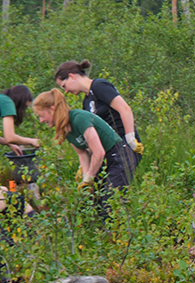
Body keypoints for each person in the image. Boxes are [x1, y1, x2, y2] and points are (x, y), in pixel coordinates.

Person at [30, 89, 132, 220]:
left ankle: (118, 237)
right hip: (105, 161)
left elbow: (99, 152)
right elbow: (82, 154)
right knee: (89, 203)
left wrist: (89, 177)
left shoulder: (79, 119)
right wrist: (85, 182)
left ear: (52, 109)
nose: (41, 120)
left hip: (119, 156)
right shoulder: (65, 127)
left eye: (41, 115)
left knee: (109, 204)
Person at [54, 63, 142, 176]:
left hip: (123, 146)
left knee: (112, 190)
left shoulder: (99, 86)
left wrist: (130, 138)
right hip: (109, 151)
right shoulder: (86, 102)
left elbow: (125, 109)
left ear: (72, 77)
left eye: (64, 86)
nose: (65, 91)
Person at [0, 83, 41, 209]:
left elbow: (9, 139)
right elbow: (10, 136)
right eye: (24, 107)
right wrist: (31, 141)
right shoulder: (7, 102)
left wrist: (9, 144)